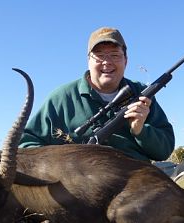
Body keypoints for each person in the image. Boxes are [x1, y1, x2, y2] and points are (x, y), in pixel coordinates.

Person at [19, 27, 175, 161]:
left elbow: (164, 151)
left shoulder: (141, 95)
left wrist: (140, 130)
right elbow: (26, 146)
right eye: (100, 55)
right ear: (89, 60)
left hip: (137, 182)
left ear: (125, 61)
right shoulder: (61, 97)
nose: (107, 62)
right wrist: (64, 162)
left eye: (115, 55)